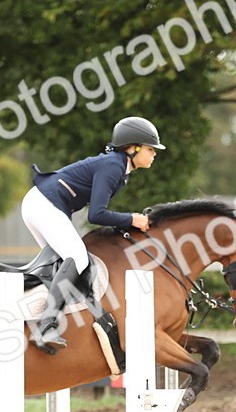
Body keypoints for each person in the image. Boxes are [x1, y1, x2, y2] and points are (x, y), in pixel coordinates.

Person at [21, 116, 163, 353]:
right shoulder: (113, 166)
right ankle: (46, 326)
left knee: (62, 264)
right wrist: (132, 219)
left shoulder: (118, 166)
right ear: (132, 148)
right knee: (77, 258)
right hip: (44, 205)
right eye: (150, 149)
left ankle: (35, 310)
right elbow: (96, 215)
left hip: (40, 203)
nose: (154, 154)